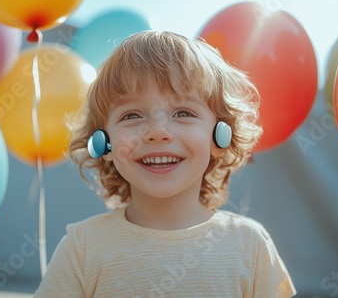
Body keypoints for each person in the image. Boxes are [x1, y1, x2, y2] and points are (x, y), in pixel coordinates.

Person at [34, 30, 296, 297]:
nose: (158, 131)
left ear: (220, 135)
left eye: (183, 113)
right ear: (104, 141)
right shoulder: (82, 247)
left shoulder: (250, 245)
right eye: (132, 115)